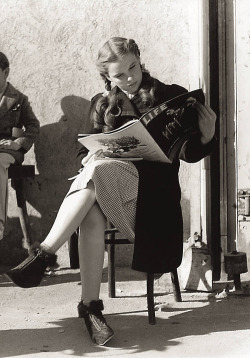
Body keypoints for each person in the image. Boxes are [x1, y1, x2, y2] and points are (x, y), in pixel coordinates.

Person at [5, 37, 216, 346]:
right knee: (94, 182)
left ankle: (44, 256)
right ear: (107, 78)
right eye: (120, 74)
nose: (130, 77)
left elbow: (188, 152)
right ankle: (91, 308)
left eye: (133, 67)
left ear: (140, 60)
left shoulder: (172, 96)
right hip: (112, 189)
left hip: (152, 201)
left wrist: (207, 135)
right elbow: (82, 154)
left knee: (95, 179)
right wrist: (90, 155)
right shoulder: (102, 104)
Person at [0, 52, 40, 240]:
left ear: (5, 72)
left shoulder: (19, 99)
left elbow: (33, 126)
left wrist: (18, 144)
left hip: (7, 151)